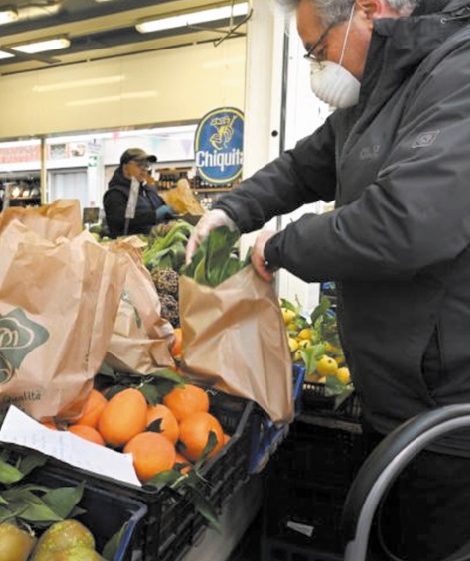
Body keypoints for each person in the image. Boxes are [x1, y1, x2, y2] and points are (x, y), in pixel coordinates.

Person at [186, 0, 470, 557]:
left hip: (448, 421)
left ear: (370, 9)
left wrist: (286, 244)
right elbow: (302, 166)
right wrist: (233, 210)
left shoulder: (455, 73)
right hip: (392, 400)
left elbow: (406, 222)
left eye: (318, 50)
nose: (318, 67)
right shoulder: (379, 93)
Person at [103, 148, 176, 237]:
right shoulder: (116, 194)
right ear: (125, 168)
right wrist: (153, 216)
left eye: (146, 165)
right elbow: (122, 220)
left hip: (155, 244)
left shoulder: (149, 191)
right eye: (139, 165)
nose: (144, 169)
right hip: (128, 247)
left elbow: (165, 211)